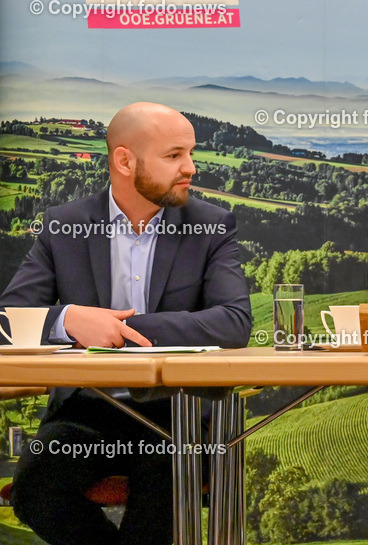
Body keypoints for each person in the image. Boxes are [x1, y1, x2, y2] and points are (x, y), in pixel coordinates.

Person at [1, 102, 253, 545]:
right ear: (124, 160)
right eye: (174, 156)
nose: (190, 168)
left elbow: (233, 322)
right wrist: (70, 319)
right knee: (37, 490)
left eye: (190, 154)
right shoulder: (65, 226)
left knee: (166, 481)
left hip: (182, 414)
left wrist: (124, 332)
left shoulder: (212, 225)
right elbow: (7, 322)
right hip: (88, 411)